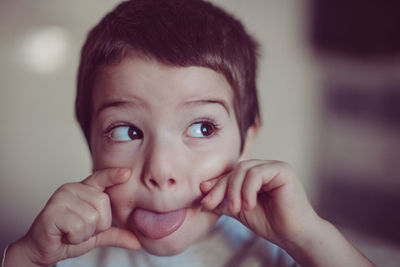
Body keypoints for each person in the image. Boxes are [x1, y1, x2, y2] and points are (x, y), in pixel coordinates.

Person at [3, 0, 375, 266]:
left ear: (246, 140)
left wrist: (308, 236)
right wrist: (26, 258)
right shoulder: (67, 256)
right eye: (127, 131)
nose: (162, 170)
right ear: (91, 142)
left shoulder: (283, 253)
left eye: (202, 127)